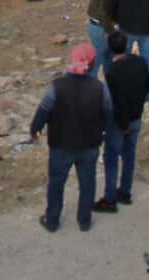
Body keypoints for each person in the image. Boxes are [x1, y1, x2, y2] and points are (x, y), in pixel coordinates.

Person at [29, 43, 112, 233]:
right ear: (91, 65)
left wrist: (35, 130)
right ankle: (84, 220)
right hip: (89, 145)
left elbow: (43, 111)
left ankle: (52, 220)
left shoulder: (57, 86)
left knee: (56, 183)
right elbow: (108, 114)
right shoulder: (100, 88)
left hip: (61, 145)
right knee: (87, 183)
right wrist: (102, 132)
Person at [99, 30, 149, 210]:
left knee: (111, 158)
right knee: (130, 155)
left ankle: (110, 198)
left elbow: (118, 101)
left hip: (120, 122)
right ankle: (125, 192)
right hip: (136, 115)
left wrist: (122, 124)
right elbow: (147, 87)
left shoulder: (111, 71)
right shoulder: (141, 62)